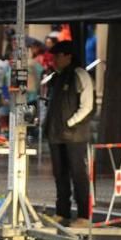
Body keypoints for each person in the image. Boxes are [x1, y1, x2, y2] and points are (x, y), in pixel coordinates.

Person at [44, 40, 95, 227]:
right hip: (56, 134)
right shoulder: (56, 77)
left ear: (68, 56)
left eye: (57, 56)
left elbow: (87, 105)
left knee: (78, 173)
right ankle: (62, 211)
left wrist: (70, 122)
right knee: (60, 174)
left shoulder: (79, 75)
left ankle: (83, 215)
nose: (54, 60)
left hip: (74, 135)